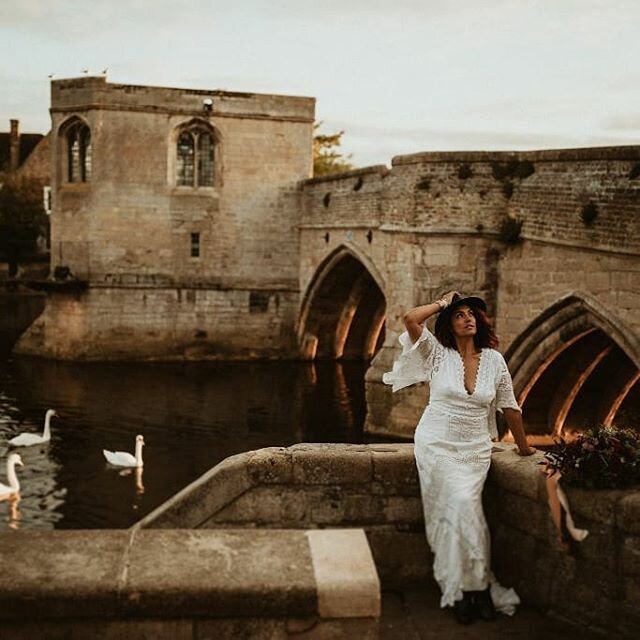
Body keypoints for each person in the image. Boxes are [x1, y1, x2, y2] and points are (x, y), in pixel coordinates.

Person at [383, 291, 535, 625]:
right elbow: (410, 319)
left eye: (471, 314)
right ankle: (468, 590)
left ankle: (473, 589)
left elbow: (509, 406)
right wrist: (442, 303)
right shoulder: (436, 354)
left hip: (473, 448)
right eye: (459, 315)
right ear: (449, 325)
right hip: (436, 443)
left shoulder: (494, 360)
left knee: (465, 507)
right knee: (460, 507)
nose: (467, 318)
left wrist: (523, 449)